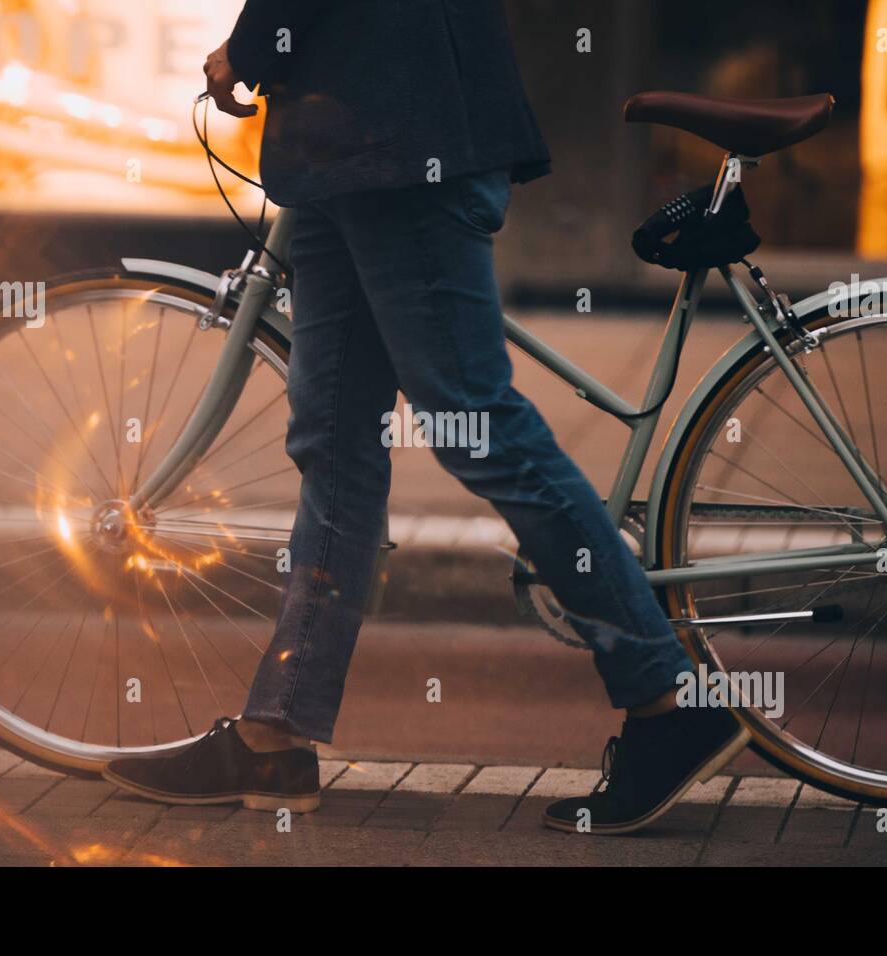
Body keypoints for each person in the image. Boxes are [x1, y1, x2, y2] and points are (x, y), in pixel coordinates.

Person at [104, 0, 748, 835]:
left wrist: (253, 44)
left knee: (474, 421)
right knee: (333, 436)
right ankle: (277, 733)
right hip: (345, 146)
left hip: (399, 139)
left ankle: (668, 698)